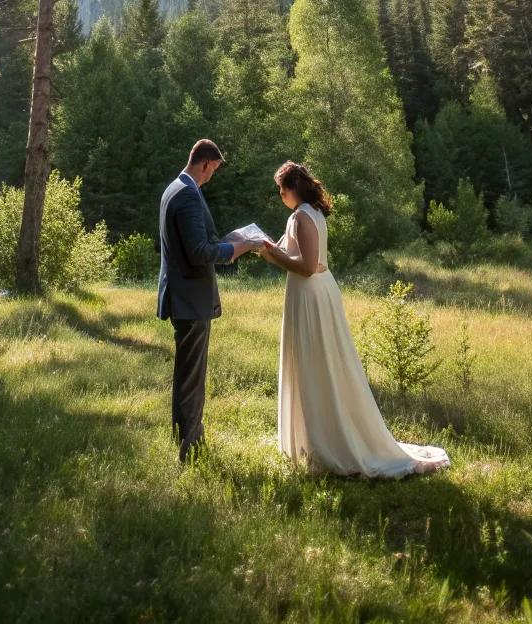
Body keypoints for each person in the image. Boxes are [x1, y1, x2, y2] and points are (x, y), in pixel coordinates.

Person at [261, 159, 450, 479]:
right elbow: (291, 252)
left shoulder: (303, 216)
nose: (280, 196)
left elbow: (306, 266)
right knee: (319, 364)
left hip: (311, 294)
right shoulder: (310, 214)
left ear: (293, 189)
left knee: (316, 364)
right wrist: (266, 247)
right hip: (316, 292)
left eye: (281, 190)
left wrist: (269, 253)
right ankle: (313, 437)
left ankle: (326, 442)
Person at [157, 138, 257, 461]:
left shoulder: (174, 188)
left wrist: (229, 239)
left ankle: (183, 436)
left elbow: (199, 241)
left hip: (184, 296)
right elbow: (200, 253)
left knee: (187, 374)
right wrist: (236, 250)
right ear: (204, 164)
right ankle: (190, 444)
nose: (211, 176)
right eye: (213, 170)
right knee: (192, 377)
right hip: (190, 299)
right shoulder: (187, 194)